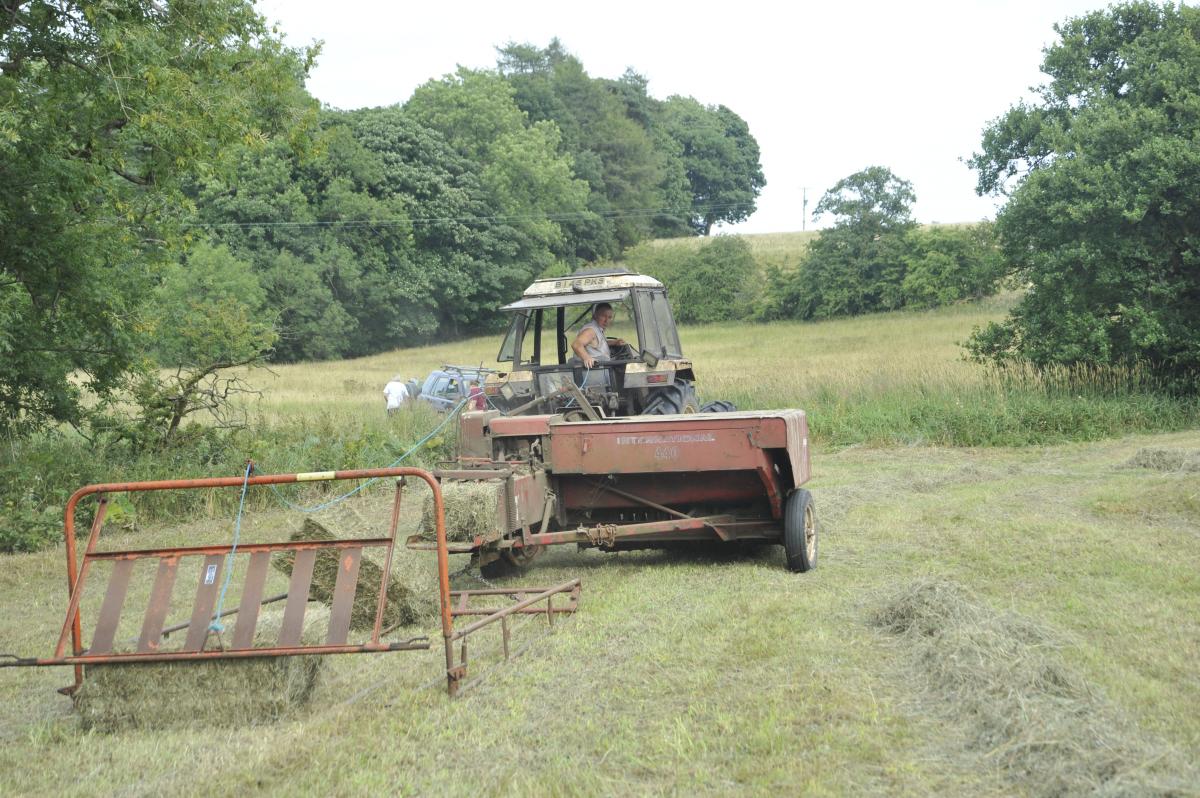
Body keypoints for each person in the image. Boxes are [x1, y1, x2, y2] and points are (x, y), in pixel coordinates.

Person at [571, 302, 626, 368]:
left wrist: (614, 342)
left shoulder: (598, 329)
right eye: (603, 316)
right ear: (595, 316)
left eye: (609, 317)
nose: (606, 320)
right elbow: (576, 344)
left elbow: (596, 344)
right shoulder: (590, 330)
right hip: (593, 372)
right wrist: (587, 358)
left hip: (602, 369)